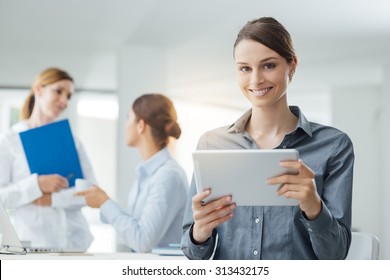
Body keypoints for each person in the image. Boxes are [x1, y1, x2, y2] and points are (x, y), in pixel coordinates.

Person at [181, 17, 354, 260]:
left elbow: (336, 254)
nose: (256, 80)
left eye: (268, 65)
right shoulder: (212, 144)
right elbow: (191, 252)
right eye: (245, 68)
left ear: (292, 65)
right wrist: (201, 230)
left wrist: (313, 205)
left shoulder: (334, 146)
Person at [76, 93, 188, 253]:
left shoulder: (168, 175)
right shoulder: (148, 173)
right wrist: (102, 203)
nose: (125, 124)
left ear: (141, 125)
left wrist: (104, 202)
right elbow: (134, 224)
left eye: (128, 118)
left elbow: (142, 241)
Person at [0, 67, 95, 251]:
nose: (64, 101)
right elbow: (1, 198)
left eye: (68, 96)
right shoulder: (10, 141)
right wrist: (36, 184)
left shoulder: (72, 142)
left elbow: (91, 193)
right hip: (32, 245)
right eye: (59, 91)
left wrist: (52, 199)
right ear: (38, 89)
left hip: (74, 245)